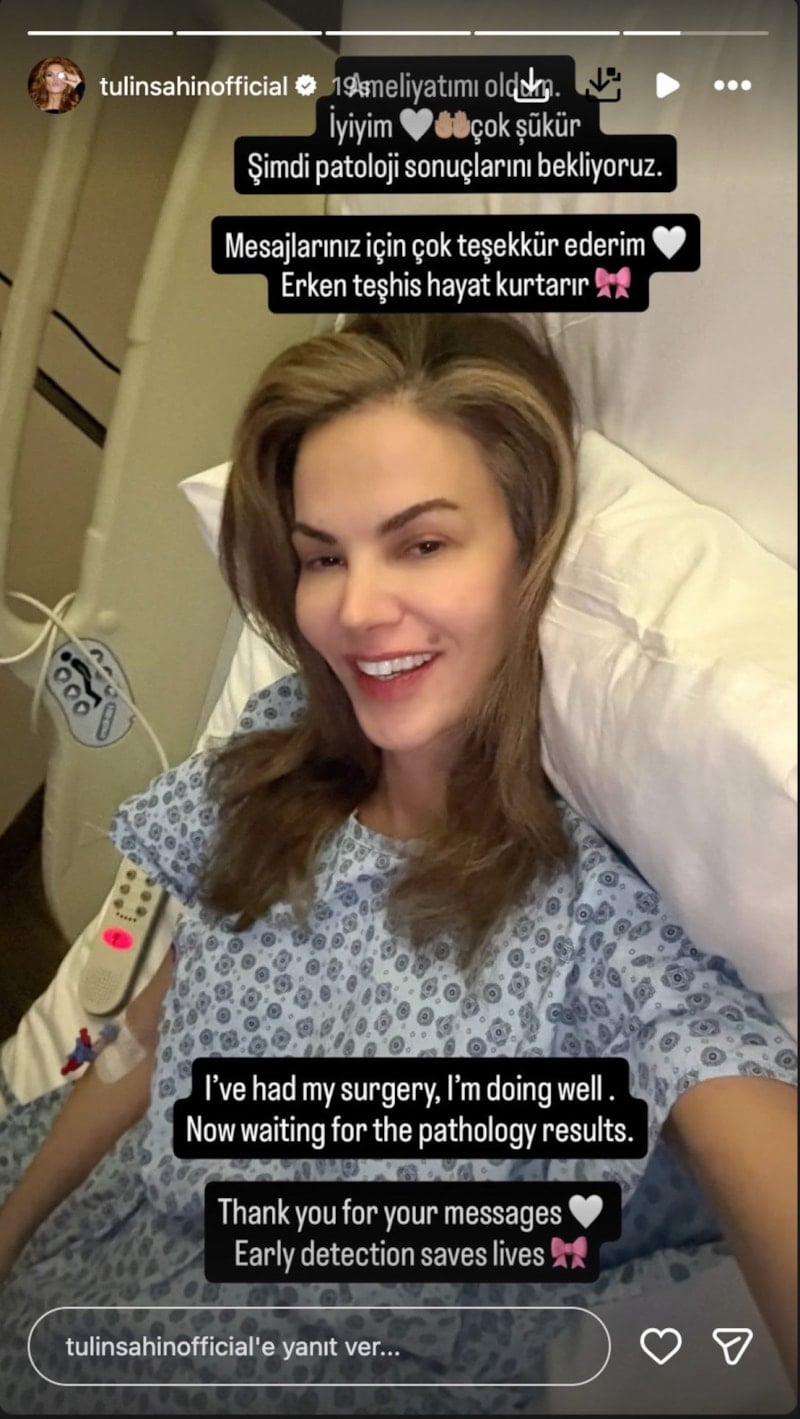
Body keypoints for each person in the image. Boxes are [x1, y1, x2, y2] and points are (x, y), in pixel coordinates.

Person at [0, 313, 795, 1415]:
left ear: (531, 550)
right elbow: (155, 1025)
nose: (357, 610)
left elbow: (740, 1113)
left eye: (421, 543)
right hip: (95, 1245)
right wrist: (11, 1231)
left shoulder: (597, 914)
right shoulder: (280, 757)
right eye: (322, 557)